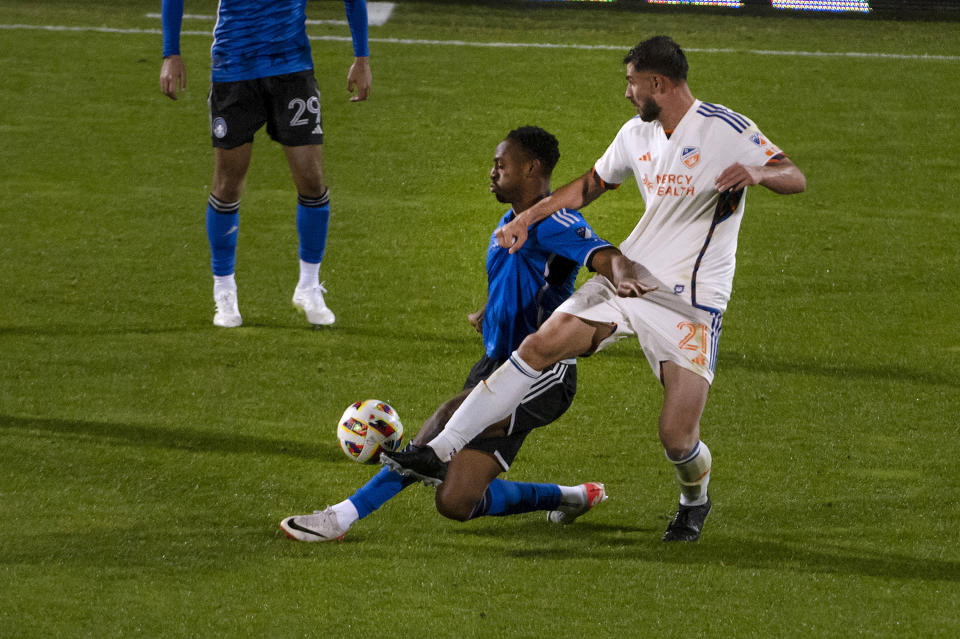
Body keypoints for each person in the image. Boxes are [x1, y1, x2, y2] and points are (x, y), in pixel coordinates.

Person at [382, 36, 807, 542]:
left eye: (631, 82)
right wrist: (529, 218)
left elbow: (794, 175)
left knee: (676, 436)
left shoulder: (724, 129)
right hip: (630, 278)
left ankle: (694, 501)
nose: (627, 93)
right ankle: (443, 448)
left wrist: (758, 172)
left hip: (691, 302)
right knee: (541, 343)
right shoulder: (636, 135)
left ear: (657, 83)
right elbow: (586, 187)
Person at [280, 126, 648, 541]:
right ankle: (571, 497)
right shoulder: (510, 222)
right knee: (456, 501)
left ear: (531, 167)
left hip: (544, 371)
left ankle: (340, 517)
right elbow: (517, 278)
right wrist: (489, 312)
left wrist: (624, 277)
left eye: (500, 164)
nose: (492, 172)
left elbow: (603, 254)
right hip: (497, 363)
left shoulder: (557, 220)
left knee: (442, 424)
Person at [159, 0, 372, 328]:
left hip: (291, 68)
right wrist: (170, 52)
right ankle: (224, 290)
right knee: (228, 184)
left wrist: (362, 57)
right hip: (234, 66)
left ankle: (309, 285)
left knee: (312, 180)